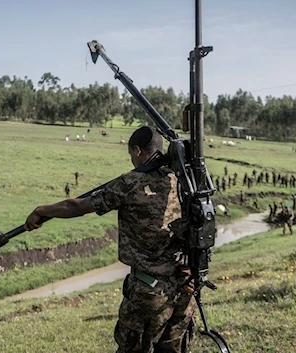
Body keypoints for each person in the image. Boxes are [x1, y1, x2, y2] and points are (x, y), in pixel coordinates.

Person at [24, 126, 197, 352]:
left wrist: (41, 210)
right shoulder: (183, 181)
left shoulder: (131, 183)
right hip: (184, 288)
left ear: (137, 151)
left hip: (148, 291)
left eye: (130, 155)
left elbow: (76, 206)